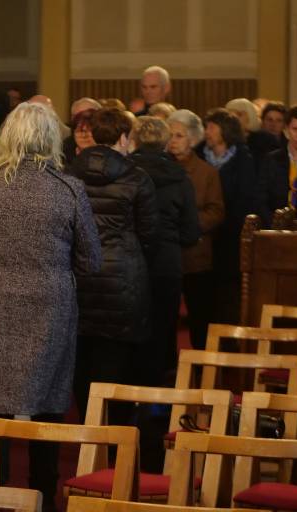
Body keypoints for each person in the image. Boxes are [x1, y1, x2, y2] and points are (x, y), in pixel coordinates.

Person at [0, 102, 101, 512]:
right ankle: (42, 497)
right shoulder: (67, 189)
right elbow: (91, 261)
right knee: (48, 408)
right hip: (50, 308)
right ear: (51, 140)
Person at [70, 108, 158, 420]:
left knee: (82, 360)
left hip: (79, 276)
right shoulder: (137, 178)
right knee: (118, 364)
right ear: (123, 137)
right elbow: (149, 233)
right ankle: (117, 434)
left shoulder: (69, 174)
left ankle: (87, 426)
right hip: (122, 278)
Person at [130, 117, 200, 385]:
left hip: (132, 259)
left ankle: (129, 391)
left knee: (133, 327)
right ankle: (157, 392)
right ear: (166, 142)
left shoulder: (124, 173)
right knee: (162, 329)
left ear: (134, 139)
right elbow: (191, 231)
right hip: (167, 261)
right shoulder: (179, 177)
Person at [167, 109, 225, 350]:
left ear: (192, 140)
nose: (172, 140)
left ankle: (202, 364)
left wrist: (188, 225)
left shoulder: (206, 172)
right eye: (170, 135)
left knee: (200, 316)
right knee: (165, 318)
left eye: (179, 136)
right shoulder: (161, 168)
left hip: (196, 255)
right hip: (167, 254)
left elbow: (216, 211)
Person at [195, 108, 257, 324]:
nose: (207, 132)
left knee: (228, 290)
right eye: (206, 127)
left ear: (226, 130)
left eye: (212, 127)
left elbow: (245, 198)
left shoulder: (244, 159)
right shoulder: (198, 155)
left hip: (231, 235)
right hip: (204, 234)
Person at [226, 97, 279, 166]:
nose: (234, 118)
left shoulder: (265, 139)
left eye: (239, 114)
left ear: (250, 116)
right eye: (230, 115)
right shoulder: (226, 140)